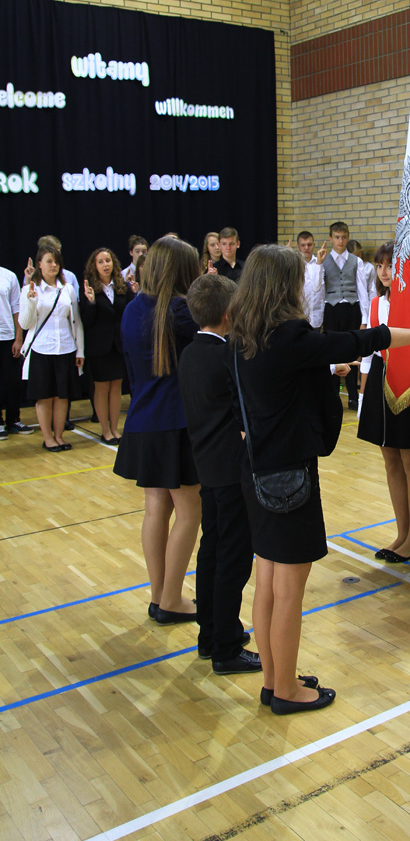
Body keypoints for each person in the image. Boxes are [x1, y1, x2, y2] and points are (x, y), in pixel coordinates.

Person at [229, 243, 410, 714]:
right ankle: (287, 691)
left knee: (268, 580)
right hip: (289, 476)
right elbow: (368, 338)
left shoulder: (242, 336)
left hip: (255, 470)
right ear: (283, 286)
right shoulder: (291, 335)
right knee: (288, 590)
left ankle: (275, 679)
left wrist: (321, 368)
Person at [113, 237, 202, 623]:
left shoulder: (133, 309)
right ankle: (171, 600)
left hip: (143, 419)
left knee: (156, 509)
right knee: (189, 512)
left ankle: (159, 595)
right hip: (175, 423)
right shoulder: (181, 312)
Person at [178, 274, 262, 675]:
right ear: (229, 314)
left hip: (207, 466)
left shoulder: (190, 353)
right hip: (230, 470)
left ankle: (210, 633)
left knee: (211, 550)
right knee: (233, 557)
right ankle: (226, 647)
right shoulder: (226, 357)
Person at [357, 241, 410, 563]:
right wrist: (362, 395)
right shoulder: (375, 304)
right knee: (390, 460)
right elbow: (368, 354)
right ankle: (402, 533)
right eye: (380, 266)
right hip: (379, 380)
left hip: (408, 381)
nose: (384, 272)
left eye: (390, 265)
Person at [19, 245, 84, 452]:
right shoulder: (31, 289)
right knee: (44, 396)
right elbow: (25, 323)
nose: (54, 265)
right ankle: (48, 438)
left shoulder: (67, 289)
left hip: (65, 347)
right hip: (42, 349)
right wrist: (30, 301)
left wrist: (80, 350)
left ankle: (59, 436)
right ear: (39, 264)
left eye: (56, 262)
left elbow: (76, 321)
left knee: (62, 396)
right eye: (49, 261)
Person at [80, 248, 135, 443]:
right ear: (94, 266)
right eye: (101, 262)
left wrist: (134, 293)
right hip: (99, 347)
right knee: (102, 388)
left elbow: (128, 313)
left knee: (116, 387)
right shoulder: (89, 288)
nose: (105, 265)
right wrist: (91, 303)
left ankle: (115, 429)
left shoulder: (122, 286)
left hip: (118, 346)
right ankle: (105, 430)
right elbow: (86, 321)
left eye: (108, 261)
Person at [322, 221, 369, 410]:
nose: (340, 241)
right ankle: (333, 395)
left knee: (352, 351)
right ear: (331, 238)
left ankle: (353, 397)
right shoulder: (323, 260)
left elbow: (362, 291)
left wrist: (364, 319)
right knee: (333, 352)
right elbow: (319, 290)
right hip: (332, 310)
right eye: (337, 237)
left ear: (347, 238)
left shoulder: (356, 261)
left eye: (343, 237)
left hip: (352, 308)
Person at [0, 265, 34, 440]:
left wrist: (18, 338)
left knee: (12, 381)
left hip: (7, 336)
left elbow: (16, 307)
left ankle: (13, 419)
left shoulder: (8, 276)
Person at [296, 230, 327, 329]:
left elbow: (317, 287)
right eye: (303, 245)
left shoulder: (320, 263)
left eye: (309, 245)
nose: (306, 248)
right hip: (299, 316)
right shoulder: (295, 264)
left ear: (313, 245)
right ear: (298, 246)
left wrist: (319, 263)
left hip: (317, 316)